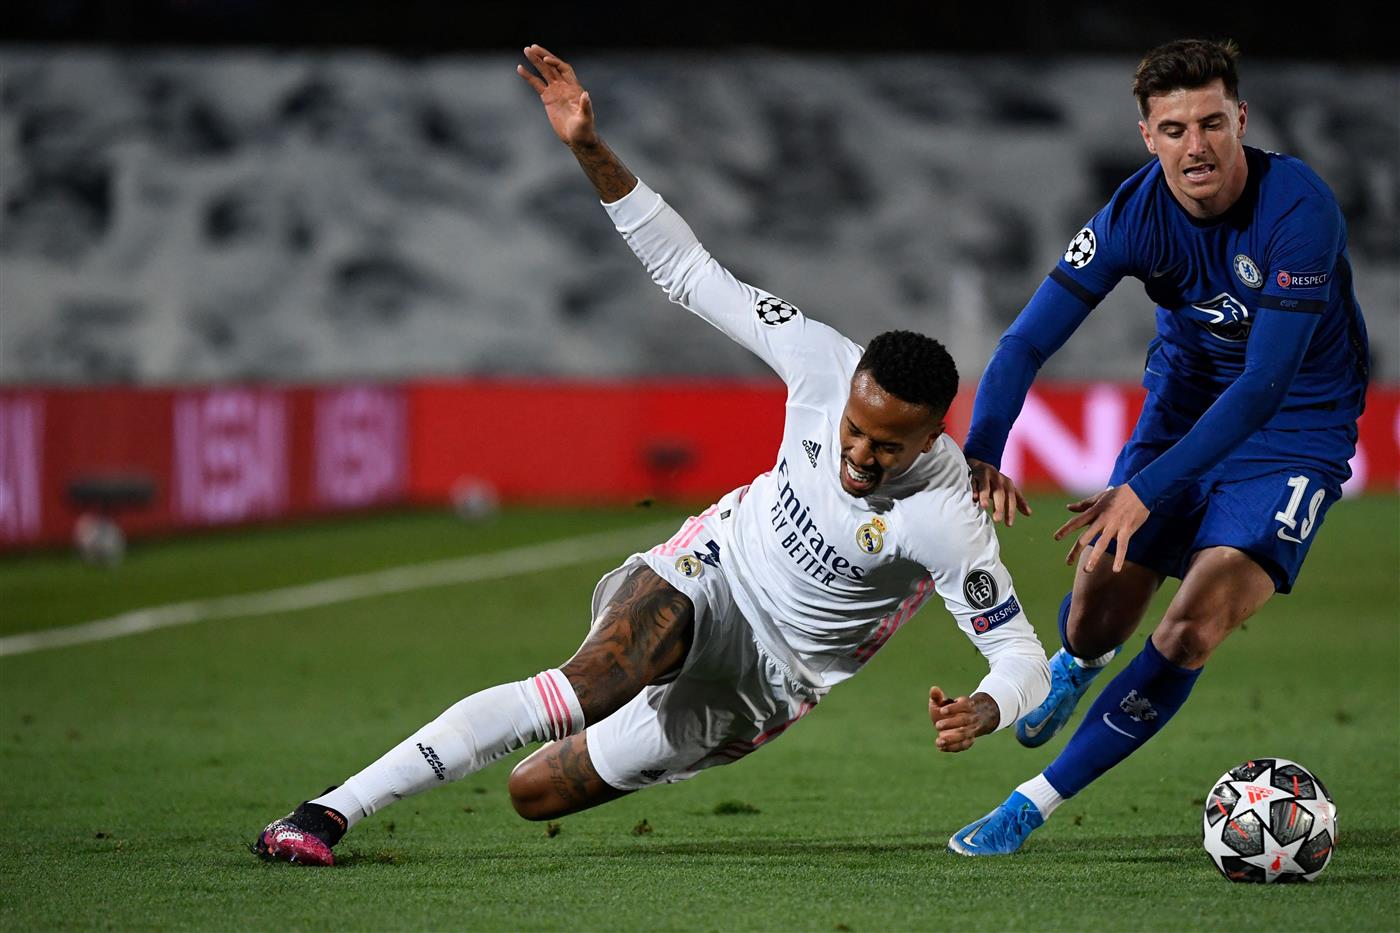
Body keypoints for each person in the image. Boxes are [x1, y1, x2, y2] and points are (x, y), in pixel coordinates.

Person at [252, 45, 1050, 866]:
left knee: (535, 792)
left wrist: (987, 709)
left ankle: (613, 735)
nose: (857, 452)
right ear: (849, 390)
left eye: (887, 445)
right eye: (852, 427)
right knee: (583, 685)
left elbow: (1020, 654)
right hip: (716, 565)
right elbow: (687, 269)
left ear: (931, 438)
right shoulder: (818, 359)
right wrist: (587, 147)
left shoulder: (949, 514)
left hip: (768, 678)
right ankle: (326, 812)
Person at [948, 38, 1369, 856]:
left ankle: (1028, 804)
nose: (1197, 145)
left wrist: (1145, 488)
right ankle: (1077, 665)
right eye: (1174, 129)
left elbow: (1263, 386)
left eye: (1213, 123)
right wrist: (982, 449)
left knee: (1190, 627)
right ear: (1148, 136)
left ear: (1241, 119)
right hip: (1182, 409)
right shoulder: (1133, 214)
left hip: (1296, 427)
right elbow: (1025, 343)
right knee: (1099, 584)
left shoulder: (1299, 209)